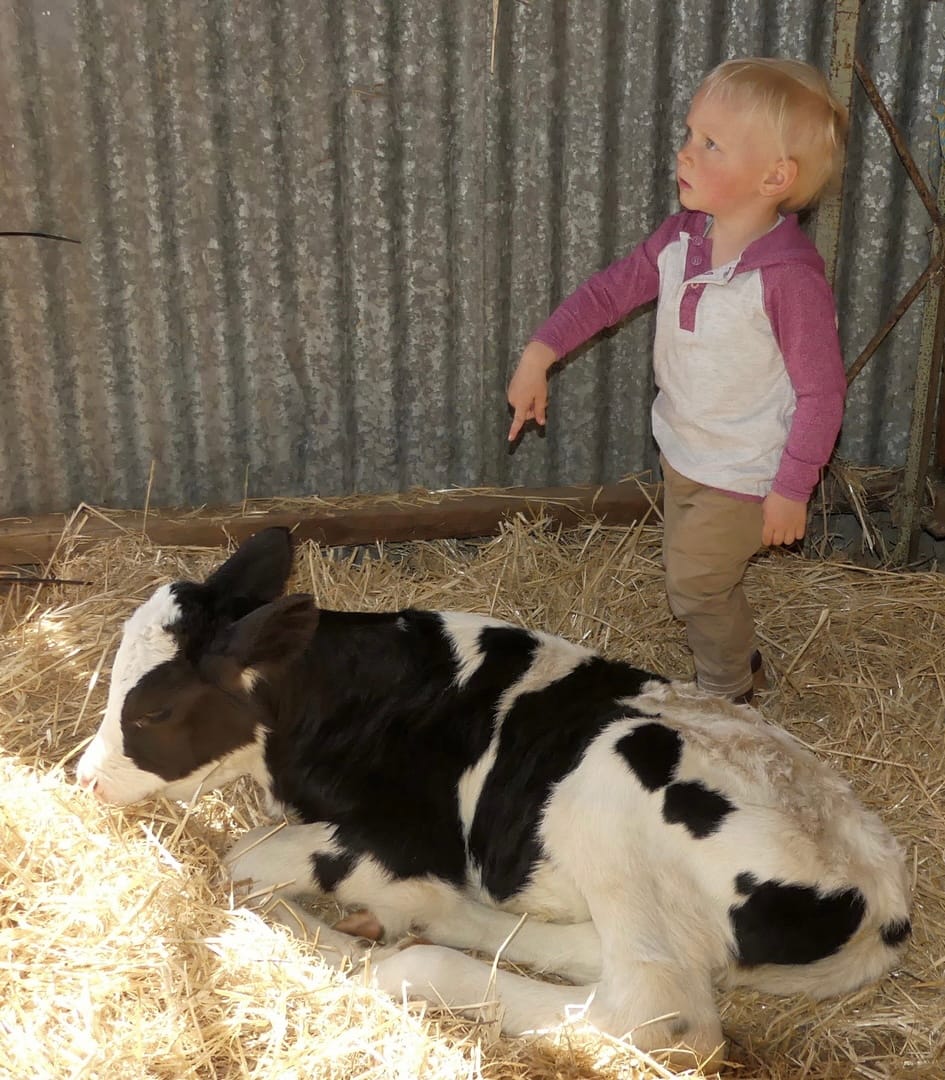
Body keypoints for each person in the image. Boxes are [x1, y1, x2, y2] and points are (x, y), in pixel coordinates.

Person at [506, 57, 848, 704]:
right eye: (690, 134)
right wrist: (539, 352)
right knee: (702, 575)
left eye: (710, 144)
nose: (684, 152)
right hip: (685, 449)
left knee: (692, 585)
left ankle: (726, 699)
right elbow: (608, 294)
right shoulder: (680, 239)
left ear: (774, 177)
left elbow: (821, 393)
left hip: (747, 469)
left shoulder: (786, 280)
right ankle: (741, 660)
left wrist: (791, 488)